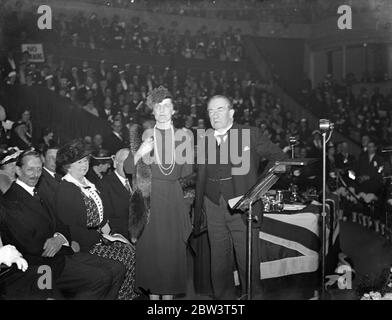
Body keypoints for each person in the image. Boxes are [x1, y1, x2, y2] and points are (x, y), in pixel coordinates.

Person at [193, 95, 287, 300]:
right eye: (210, 111)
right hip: (212, 205)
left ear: (231, 112)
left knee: (247, 259)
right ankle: (223, 301)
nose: (214, 115)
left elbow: (280, 158)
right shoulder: (204, 138)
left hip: (243, 207)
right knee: (218, 260)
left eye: (219, 109)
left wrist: (259, 187)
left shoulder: (250, 134)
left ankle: (253, 297)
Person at [2, 149, 126, 300]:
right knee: (101, 277)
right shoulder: (10, 202)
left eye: (39, 169)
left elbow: (61, 221)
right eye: (30, 169)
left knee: (118, 268)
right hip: (40, 265)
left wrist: (60, 237)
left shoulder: (39, 192)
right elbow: (27, 244)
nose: (35, 174)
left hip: (61, 252)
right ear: (18, 170)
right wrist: (58, 242)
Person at [123, 86, 193, 300]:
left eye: (167, 106)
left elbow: (187, 171)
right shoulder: (145, 136)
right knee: (152, 255)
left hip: (171, 200)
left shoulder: (184, 136)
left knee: (170, 256)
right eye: (158, 106)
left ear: (174, 111)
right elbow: (127, 168)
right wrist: (141, 152)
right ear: (153, 111)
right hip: (149, 200)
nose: (162, 110)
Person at [55, 140, 137, 300]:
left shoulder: (87, 182)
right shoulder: (66, 188)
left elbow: (103, 215)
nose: (84, 165)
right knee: (125, 258)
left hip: (98, 237)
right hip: (83, 245)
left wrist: (110, 234)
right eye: (79, 162)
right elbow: (73, 224)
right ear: (68, 166)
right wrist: (105, 235)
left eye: (85, 160)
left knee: (129, 252)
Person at [101, 148, 132, 239]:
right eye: (124, 162)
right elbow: (106, 218)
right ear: (115, 163)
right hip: (120, 236)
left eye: (131, 163)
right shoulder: (105, 184)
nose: (128, 166)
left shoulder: (136, 181)